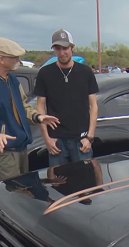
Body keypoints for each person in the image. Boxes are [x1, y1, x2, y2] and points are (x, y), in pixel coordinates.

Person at [0, 37, 59, 180]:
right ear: (1, 59)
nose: (18, 60)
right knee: (12, 192)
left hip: (21, 147)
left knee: (24, 188)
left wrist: (38, 117)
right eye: (14, 57)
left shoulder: (12, 79)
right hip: (4, 150)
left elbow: (23, 107)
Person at [35, 28, 100, 167]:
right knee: (58, 183)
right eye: (58, 48)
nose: (62, 52)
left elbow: (93, 106)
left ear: (72, 48)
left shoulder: (86, 72)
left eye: (65, 48)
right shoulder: (45, 73)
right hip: (56, 140)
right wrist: (46, 139)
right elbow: (40, 106)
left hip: (81, 140)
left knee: (85, 181)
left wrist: (90, 136)